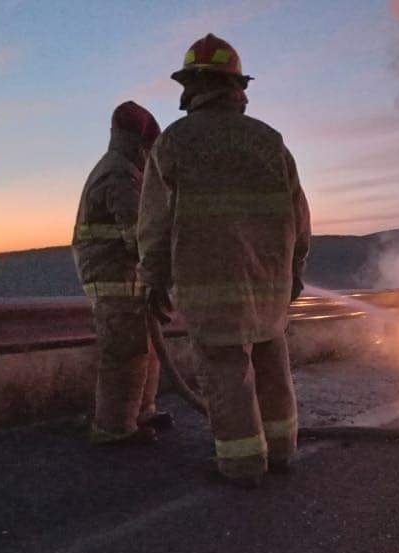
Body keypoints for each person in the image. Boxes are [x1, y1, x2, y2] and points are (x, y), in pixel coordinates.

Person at [137, 34, 312, 487]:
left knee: (226, 370)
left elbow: (154, 223)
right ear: (237, 86)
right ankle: (282, 450)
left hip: (209, 283)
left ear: (192, 85)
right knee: (273, 363)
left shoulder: (174, 143)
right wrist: (294, 271)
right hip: (270, 283)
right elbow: (299, 215)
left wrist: (151, 279)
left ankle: (240, 464)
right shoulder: (269, 140)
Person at [72, 101, 172, 444]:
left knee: (147, 345)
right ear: (142, 144)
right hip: (113, 276)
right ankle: (113, 428)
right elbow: (139, 232)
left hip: (128, 275)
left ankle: (141, 412)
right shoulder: (120, 173)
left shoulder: (127, 169)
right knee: (125, 350)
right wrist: (165, 264)